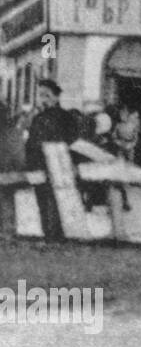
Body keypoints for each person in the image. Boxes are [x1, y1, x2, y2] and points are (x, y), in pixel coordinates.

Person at [24, 78, 83, 238]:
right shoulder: (37, 118)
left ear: (57, 97)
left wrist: (74, 164)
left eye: (47, 95)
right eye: (41, 95)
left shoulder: (67, 118)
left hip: (60, 165)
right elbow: (31, 144)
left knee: (60, 200)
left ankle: (58, 232)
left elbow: (74, 142)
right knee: (43, 199)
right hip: (41, 164)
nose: (43, 99)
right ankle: (48, 232)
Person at [0, 104, 26, 235]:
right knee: (6, 196)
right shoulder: (13, 133)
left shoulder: (12, 133)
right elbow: (20, 160)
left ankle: (7, 229)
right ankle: (8, 229)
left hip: (6, 176)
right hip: (9, 175)